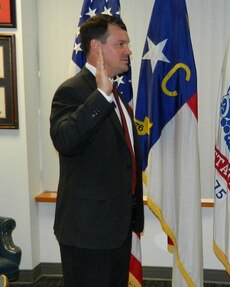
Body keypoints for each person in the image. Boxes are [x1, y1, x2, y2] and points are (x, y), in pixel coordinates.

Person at [49, 14, 144, 287]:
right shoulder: (73, 91)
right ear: (97, 47)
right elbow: (66, 140)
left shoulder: (117, 95)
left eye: (127, 44)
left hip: (116, 229)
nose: (128, 51)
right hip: (87, 233)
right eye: (121, 44)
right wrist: (100, 96)